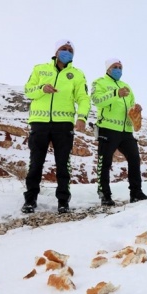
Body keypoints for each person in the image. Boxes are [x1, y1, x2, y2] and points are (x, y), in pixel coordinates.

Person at [22, 39, 91, 214]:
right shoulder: (40, 69)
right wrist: (42, 88)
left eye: (70, 50)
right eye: (63, 48)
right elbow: (28, 90)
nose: (67, 51)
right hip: (40, 123)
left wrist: (81, 117)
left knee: (63, 164)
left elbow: (83, 98)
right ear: (56, 51)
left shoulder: (77, 74)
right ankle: (30, 200)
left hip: (64, 124)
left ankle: (63, 201)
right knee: (36, 163)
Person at [91, 58, 147, 205]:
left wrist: (136, 108)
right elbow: (97, 100)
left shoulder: (126, 86)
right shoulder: (99, 82)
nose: (118, 69)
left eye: (120, 67)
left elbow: (130, 107)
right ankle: (105, 195)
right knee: (104, 162)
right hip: (107, 128)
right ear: (108, 69)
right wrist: (115, 94)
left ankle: (136, 193)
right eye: (115, 66)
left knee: (134, 159)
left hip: (126, 130)